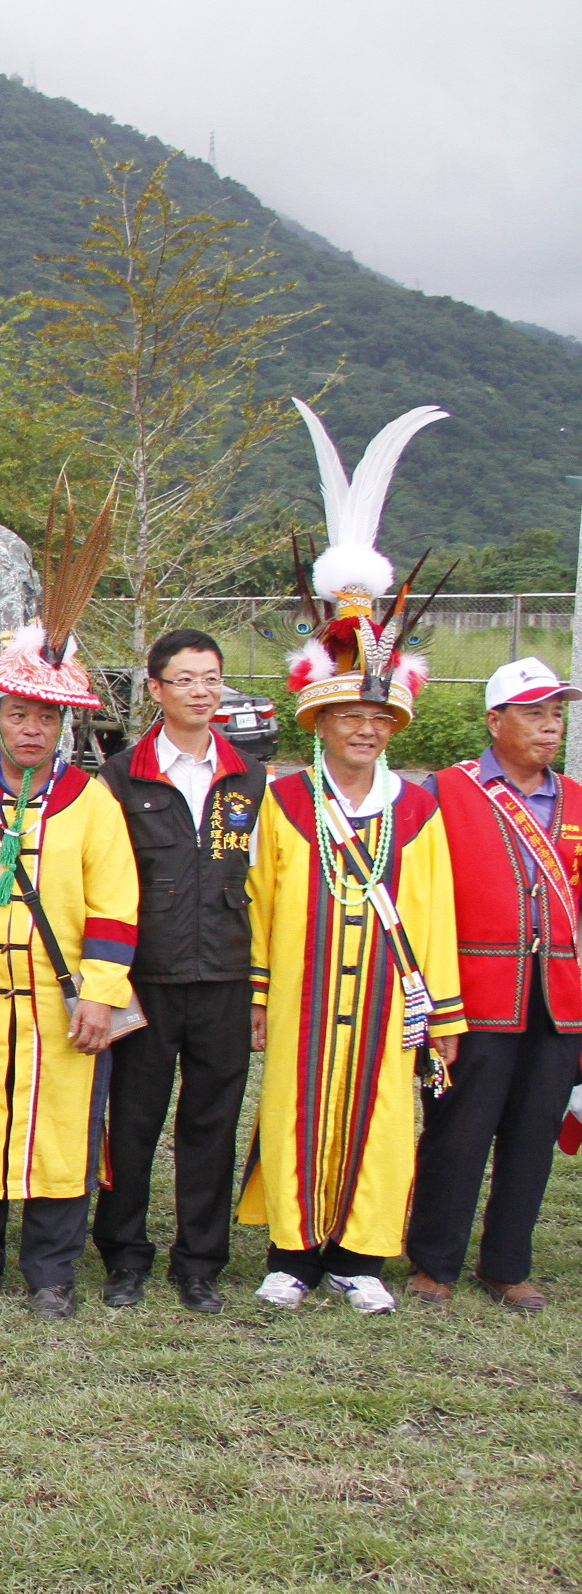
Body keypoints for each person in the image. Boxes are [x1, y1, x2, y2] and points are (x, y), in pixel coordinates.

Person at [243, 400, 465, 1315]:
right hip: (300, 992)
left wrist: (440, 1011)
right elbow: (259, 899)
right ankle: (294, 1254)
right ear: (323, 722)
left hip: (383, 997)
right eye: (348, 718)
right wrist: (259, 996)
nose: (364, 730)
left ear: (390, 726)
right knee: (293, 1112)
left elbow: (436, 911)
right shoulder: (287, 801)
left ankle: (361, 1260)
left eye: (377, 720)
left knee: (382, 1121)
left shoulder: (417, 812)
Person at [0, 518, 138, 1319]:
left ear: (61, 727)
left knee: (58, 1131)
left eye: (46, 719)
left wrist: (101, 993)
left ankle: (50, 1270)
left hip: (60, 1000)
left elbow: (117, 906)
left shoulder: (92, 803)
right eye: (19, 715)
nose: (31, 729)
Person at [94, 629, 264, 1313]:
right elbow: (105, 882)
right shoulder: (121, 775)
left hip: (223, 977)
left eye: (211, 678)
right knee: (132, 1122)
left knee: (210, 1122)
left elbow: (264, 884)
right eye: (185, 679)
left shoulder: (250, 777)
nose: (201, 691)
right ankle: (124, 1256)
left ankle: (199, 1262)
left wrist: (259, 986)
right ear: (156, 689)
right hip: (146, 980)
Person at [407, 657, 582, 1313]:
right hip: (475, 996)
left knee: (534, 1135)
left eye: (557, 713)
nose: (549, 726)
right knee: (458, 1131)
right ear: (495, 720)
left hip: (559, 1002)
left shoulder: (576, 799)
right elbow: (420, 896)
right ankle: (434, 1261)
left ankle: (506, 1264)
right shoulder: (445, 792)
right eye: (534, 713)